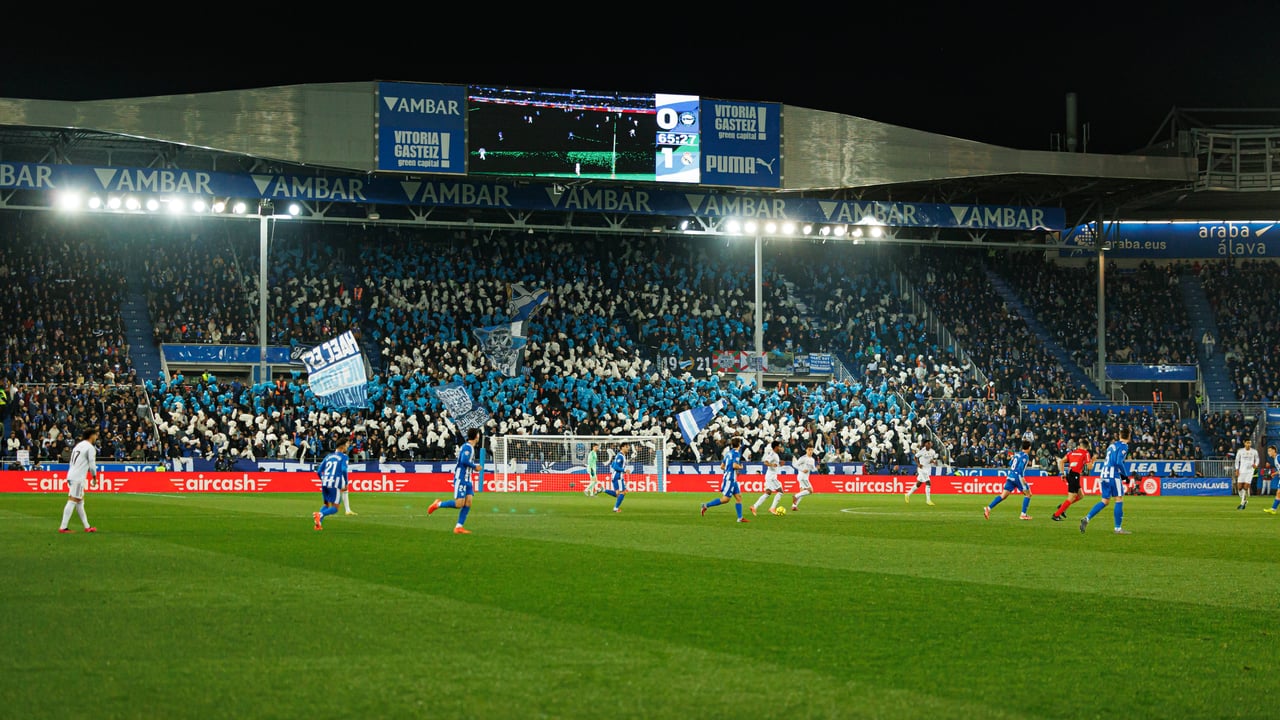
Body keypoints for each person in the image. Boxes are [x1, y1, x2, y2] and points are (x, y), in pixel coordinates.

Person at [1080, 426, 1132, 534]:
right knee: (1119, 499)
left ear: (1120, 435)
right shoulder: (1124, 446)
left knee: (1105, 501)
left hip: (1104, 474)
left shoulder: (1112, 445)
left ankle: (1087, 518)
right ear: (1129, 436)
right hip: (1113, 475)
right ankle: (1118, 528)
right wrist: (1125, 475)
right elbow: (1118, 462)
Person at [427, 427, 479, 534]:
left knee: (468, 502)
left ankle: (459, 527)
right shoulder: (467, 447)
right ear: (476, 436)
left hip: (468, 478)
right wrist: (475, 467)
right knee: (460, 503)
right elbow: (464, 461)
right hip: (461, 478)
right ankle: (438, 504)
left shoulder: (470, 447)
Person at [58, 427, 99, 534]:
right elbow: (92, 464)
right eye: (96, 435)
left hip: (72, 474)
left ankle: (87, 526)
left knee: (80, 501)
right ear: (92, 436)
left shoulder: (78, 446)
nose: (96, 437)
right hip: (78, 477)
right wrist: (94, 477)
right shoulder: (90, 448)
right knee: (73, 500)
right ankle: (63, 527)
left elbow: (71, 462)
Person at [700, 437, 748, 523]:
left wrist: (728, 469)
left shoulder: (728, 453)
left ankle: (740, 518)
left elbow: (722, 466)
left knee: (739, 497)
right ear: (739, 445)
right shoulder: (736, 453)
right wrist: (740, 467)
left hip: (732, 478)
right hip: (730, 479)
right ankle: (705, 505)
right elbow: (734, 465)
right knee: (725, 499)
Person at [984, 440, 1033, 521]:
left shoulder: (1017, 454)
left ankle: (988, 508)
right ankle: (1023, 514)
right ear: (1029, 447)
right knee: (1028, 494)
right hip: (1018, 477)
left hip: (1010, 476)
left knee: (1003, 496)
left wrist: (1012, 458)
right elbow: (1020, 468)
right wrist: (1023, 478)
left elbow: (1010, 463)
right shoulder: (1025, 456)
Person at [312, 436, 350, 531]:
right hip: (335, 483)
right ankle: (320, 514)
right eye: (347, 445)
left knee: (326, 504)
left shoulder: (328, 456)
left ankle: (318, 524)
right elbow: (344, 469)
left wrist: (323, 480)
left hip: (325, 483)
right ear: (342, 447)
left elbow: (319, 471)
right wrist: (346, 482)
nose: (347, 447)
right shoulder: (344, 457)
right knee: (335, 508)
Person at [1052, 438, 1092, 521]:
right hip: (1075, 475)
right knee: (1072, 497)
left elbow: (1061, 461)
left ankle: (1063, 506)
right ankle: (1056, 515)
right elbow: (1089, 467)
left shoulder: (1072, 453)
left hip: (1070, 474)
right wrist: (1093, 461)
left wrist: (1062, 473)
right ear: (1087, 447)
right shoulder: (1086, 453)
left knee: (1081, 495)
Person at [750, 440, 786, 516]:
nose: (780, 448)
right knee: (780, 492)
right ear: (776, 447)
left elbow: (774, 464)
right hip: (772, 477)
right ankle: (772, 508)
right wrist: (772, 465)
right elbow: (765, 462)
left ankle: (754, 506)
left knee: (768, 493)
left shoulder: (775, 454)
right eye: (779, 446)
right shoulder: (772, 454)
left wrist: (779, 464)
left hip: (769, 476)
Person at [905, 439, 938, 506]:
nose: (929, 444)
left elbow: (931, 460)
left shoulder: (933, 452)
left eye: (930, 443)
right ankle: (928, 500)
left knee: (919, 484)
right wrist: (918, 464)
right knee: (928, 482)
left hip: (927, 469)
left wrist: (934, 462)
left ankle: (907, 494)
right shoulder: (922, 451)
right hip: (922, 469)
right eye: (928, 443)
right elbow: (915, 457)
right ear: (925, 444)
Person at [600, 442, 629, 513]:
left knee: (617, 493)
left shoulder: (619, 455)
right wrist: (624, 470)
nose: (628, 448)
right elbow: (615, 467)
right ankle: (616, 508)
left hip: (615, 476)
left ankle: (603, 490)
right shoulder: (620, 456)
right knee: (623, 492)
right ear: (622, 447)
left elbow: (613, 465)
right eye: (626, 447)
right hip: (618, 476)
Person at [1233, 438, 1259, 510]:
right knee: (1239, 488)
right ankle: (1244, 500)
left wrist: (1255, 464)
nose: (1248, 444)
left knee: (1245, 487)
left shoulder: (1254, 451)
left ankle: (1242, 503)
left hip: (1250, 471)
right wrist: (1237, 469)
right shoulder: (1240, 451)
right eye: (1247, 443)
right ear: (1244, 443)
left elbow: (1257, 459)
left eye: (1249, 443)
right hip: (1241, 471)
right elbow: (1237, 460)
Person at [791, 444, 817, 511]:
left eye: (811, 450)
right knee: (811, 491)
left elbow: (813, 469)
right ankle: (795, 496)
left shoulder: (812, 459)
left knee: (802, 492)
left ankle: (794, 506)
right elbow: (795, 465)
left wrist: (817, 468)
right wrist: (802, 470)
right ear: (806, 450)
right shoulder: (803, 458)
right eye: (809, 450)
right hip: (802, 477)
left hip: (805, 477)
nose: (810, 451)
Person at [1264, 446, 1280, 515]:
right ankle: (1273, 509)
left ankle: (1273, 509)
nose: (1268, 453)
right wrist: (1275, 473)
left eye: (1270, 451)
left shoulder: (1278, 457)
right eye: (1268, 451)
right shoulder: (1275, 459)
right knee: (1278, 493)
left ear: (1274, 451)